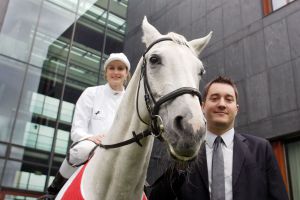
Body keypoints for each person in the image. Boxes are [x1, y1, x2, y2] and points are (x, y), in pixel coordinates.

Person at [148, 76, 289, 200]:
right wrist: (181, 162)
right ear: (202, 106)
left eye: (229, 99)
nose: (221, 104)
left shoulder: (261, 149)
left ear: (236, 109)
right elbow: (157, 197)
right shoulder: (187, 150)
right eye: (214, 98)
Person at [41, 53, 131, 199]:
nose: (115, 72)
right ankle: (54, 190)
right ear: (105, 72)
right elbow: (77, 131)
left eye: (120, 68)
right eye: (111, 68)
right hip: (92, 147)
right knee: (80, 150)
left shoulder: (130, 101)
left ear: (126, 73)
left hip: (120, 152)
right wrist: (92, 138)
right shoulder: (91, 93)